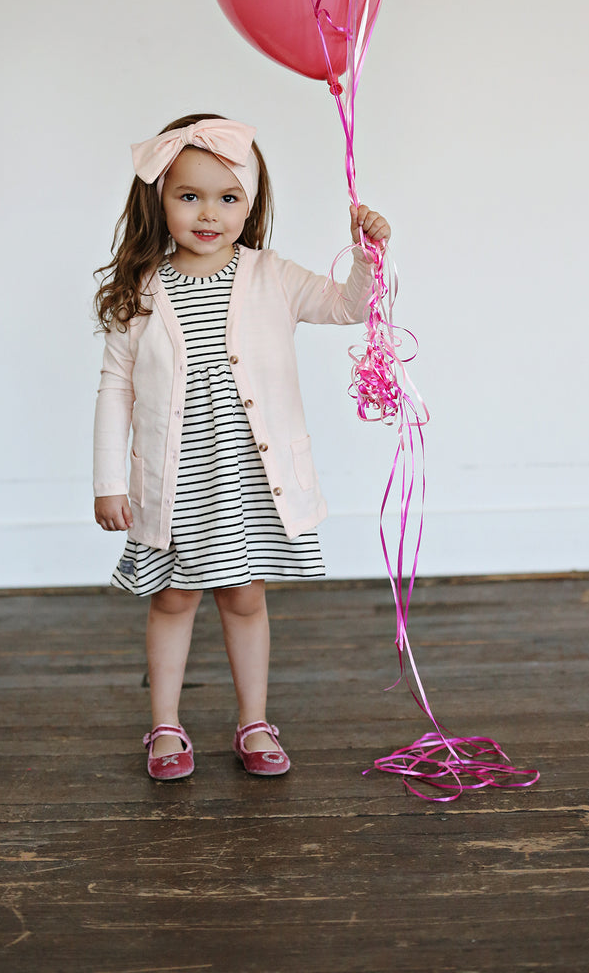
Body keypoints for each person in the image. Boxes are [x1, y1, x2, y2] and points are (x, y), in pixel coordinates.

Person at [93, 113, 391, 781]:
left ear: (250, 204)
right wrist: (109, 480)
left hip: (249, 477)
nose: (208, 214)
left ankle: (253, 719)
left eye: (228, 198)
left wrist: (368, 258)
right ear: (159, 201)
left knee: (244, 595)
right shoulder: (143, 289)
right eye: (188, 196)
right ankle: (165, 726)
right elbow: (115, 389)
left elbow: (347, 306)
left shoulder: (271, 276)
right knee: (173, 598)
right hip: (177, 481)